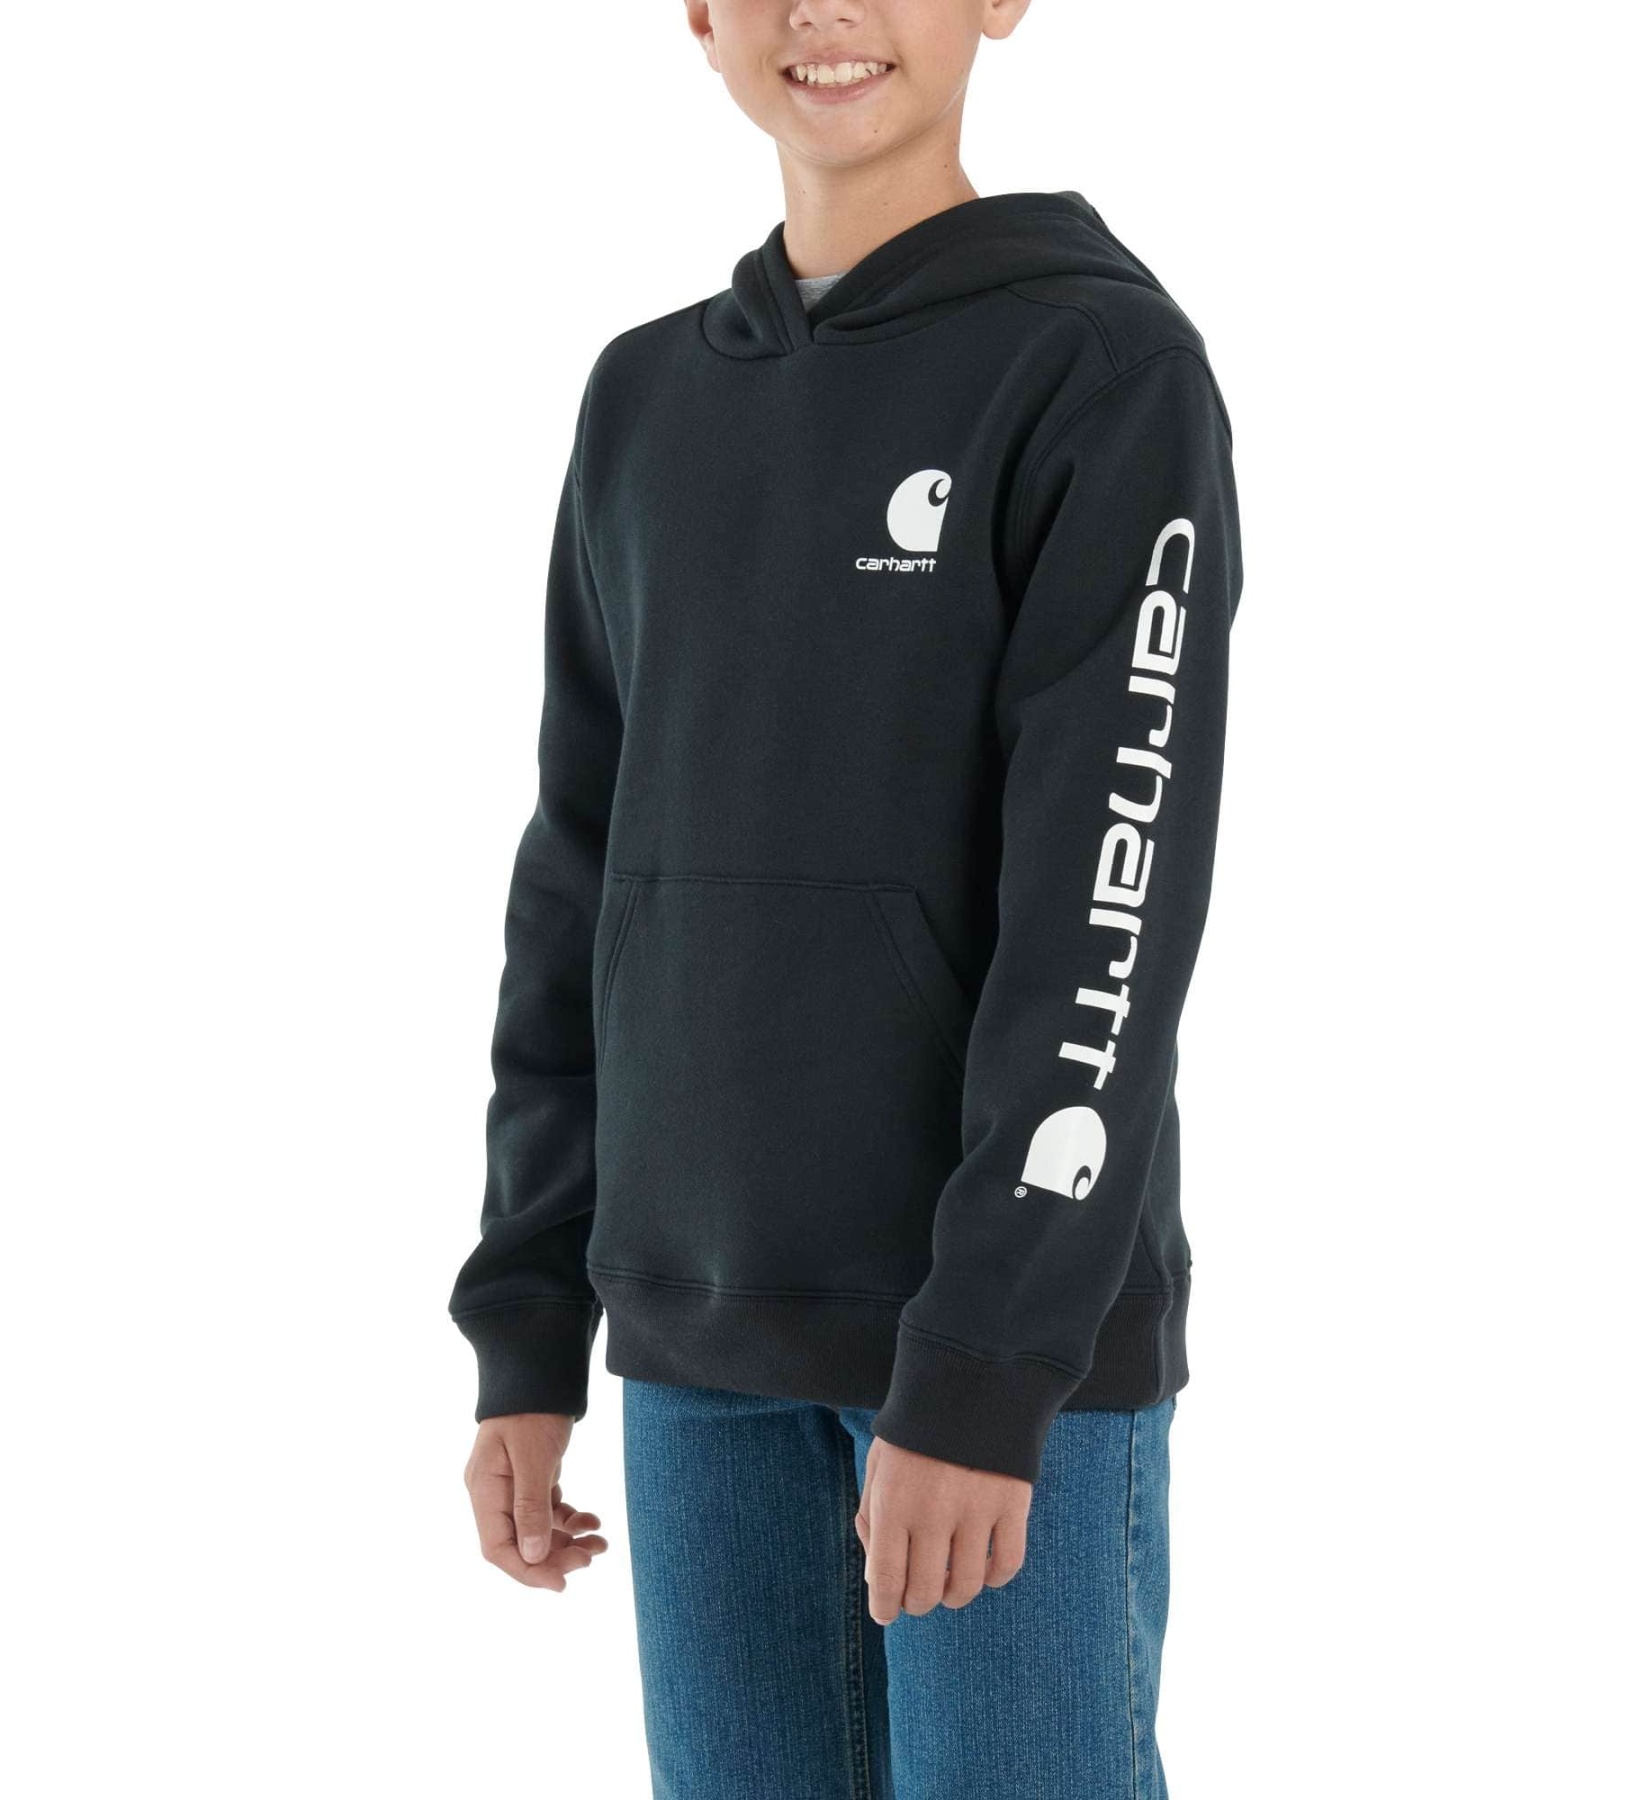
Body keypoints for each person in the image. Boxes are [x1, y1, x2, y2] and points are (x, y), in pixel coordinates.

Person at [448, 1, 1243, 1793]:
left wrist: (983, 1360)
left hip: (995, 1354)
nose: (824, 12)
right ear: (699, 13)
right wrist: (530, 1316)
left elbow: (1108, 906)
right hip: (694, 1335)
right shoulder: (645, 398)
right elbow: (578, 871)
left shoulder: (1099, 368)